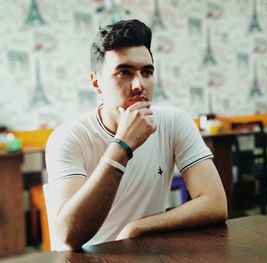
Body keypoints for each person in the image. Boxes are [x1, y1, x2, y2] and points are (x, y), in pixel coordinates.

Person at [45, 19, 227, 251]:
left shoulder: (174, 121)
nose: (139, 84)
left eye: (147, 72)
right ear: (96, 83)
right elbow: (69, 236)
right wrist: (122, 146)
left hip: (144, 252)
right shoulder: (68, 137)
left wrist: (138, 227)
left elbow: (216, 203)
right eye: (124, 72)